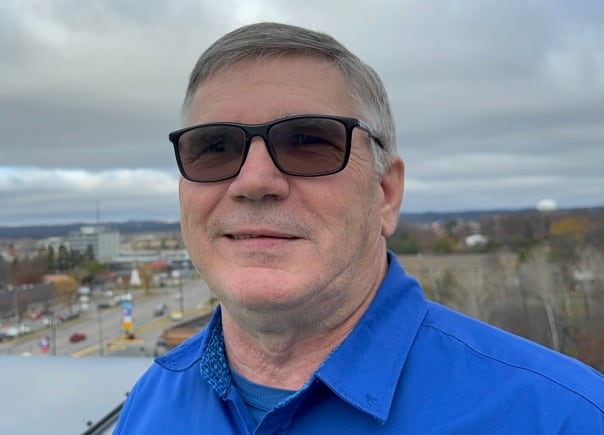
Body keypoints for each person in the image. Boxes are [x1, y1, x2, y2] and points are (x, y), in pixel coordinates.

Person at [114, 22, 604, 433]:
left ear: (386, 193)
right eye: (214, 146)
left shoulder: (562, 416)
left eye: (308, 142)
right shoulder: (150, 403)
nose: (254, 181)